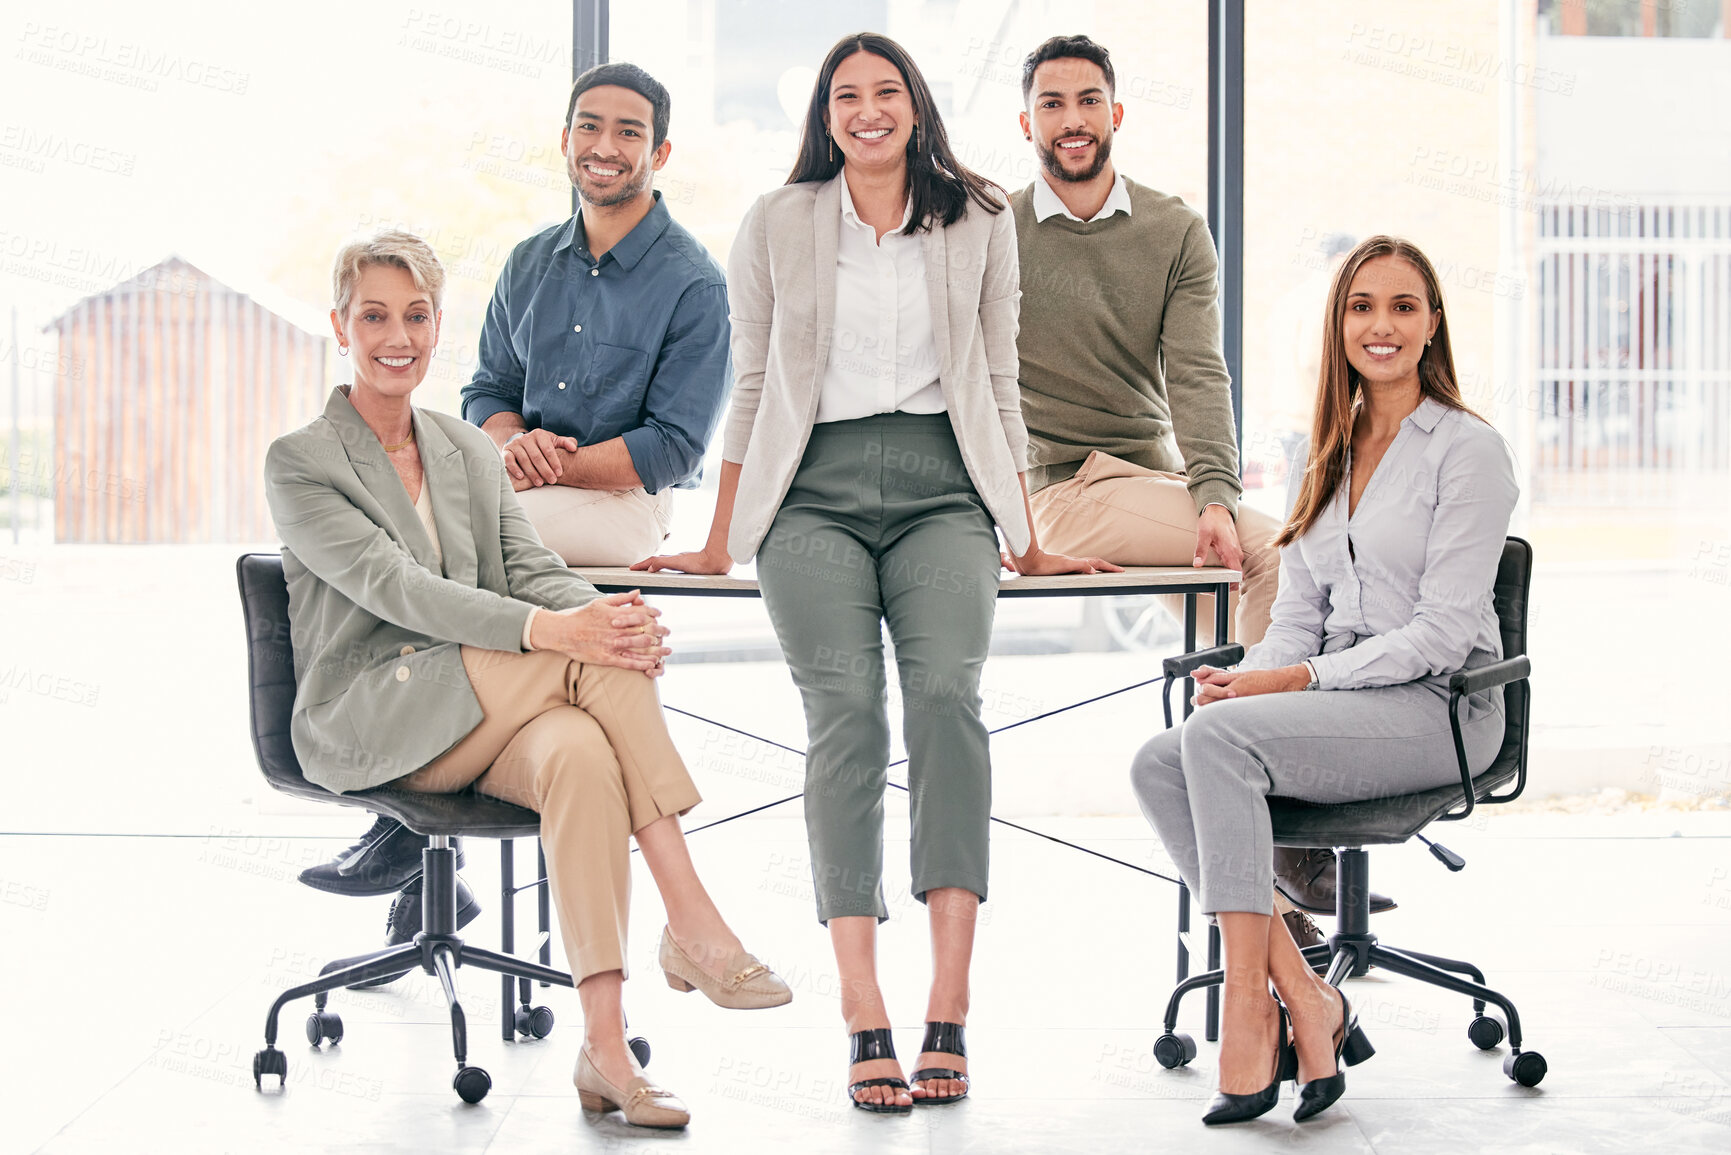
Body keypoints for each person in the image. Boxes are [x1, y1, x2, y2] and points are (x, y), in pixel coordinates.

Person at [636, 33, 1116, 1113]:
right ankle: (863, 1011)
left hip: (947, 489)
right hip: (813, 494)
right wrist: (722, 536)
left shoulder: (982, 220)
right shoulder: (778, 221)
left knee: (947, 698)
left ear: (916, 107)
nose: (867, 110)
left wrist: (1026, 533)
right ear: (825, 113)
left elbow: (998, 378)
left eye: (885, 91)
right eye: (846, 95)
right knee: (847, 714)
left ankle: (948, 1005)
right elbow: (752, 380)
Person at [265, 231, 789, 1130]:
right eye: (375, 315)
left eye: (418, 315)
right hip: (374, 715)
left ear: (438, 327)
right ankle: (692, 916)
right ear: (340, 326)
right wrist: (563, 629)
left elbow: (528, 562)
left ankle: (606, 1050)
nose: (399, 335)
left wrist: (606, 617)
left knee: (584, 750)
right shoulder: (302, 459)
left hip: (482, 708)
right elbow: (399, 589)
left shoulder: (466, 449)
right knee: (581, 653)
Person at [301, 62, 734, 921]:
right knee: (432, 538)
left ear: (660, 150)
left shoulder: (694, 282)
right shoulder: (530, 261)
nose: (604, 147)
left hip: (621, 507)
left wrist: (550, 462)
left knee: (431, 541)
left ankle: (403, 812)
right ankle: (424, 819)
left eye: (627, 132)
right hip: (517, 485)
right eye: (588, 126)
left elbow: (672, 445)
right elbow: (485, 391)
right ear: (566, 138)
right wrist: (508, 439)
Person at [1128, 236, 1520, 1124]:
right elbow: (1296, 614)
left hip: (1440, 707)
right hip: (1341, 696)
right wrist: (1251, 677)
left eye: (1402, 307)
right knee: (1162, 757)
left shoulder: (1467, 452)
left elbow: (1441, 633)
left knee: (1216, 744)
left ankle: (1244, 1012)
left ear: (1431, 327)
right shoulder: (1328, 448)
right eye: (1360, 306)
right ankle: (1306, 993)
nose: (1379, 325)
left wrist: (1293, 681)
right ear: (1338, 324)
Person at [1011, 35, 1392, 930]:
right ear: (1026, 121)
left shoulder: (1171, 228)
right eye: (1053, 103)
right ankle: (1283, 842)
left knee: (1268, 598)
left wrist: (1213, 494)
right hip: (1059, 489)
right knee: (1278, 558)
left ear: (1116, 112)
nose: (1072, 119)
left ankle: (1252, 852)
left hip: (1151, 481)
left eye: (1088, 100)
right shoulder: (994, 230)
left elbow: (1196, 374)